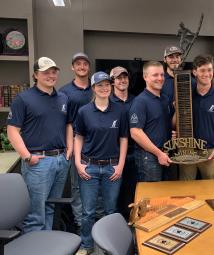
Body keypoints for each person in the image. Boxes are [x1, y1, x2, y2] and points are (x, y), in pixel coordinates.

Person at [7, 57, 72, 233]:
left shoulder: (63, 98)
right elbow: (12, 131)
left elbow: (68, 125)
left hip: (60, 160)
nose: (50, 75)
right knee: (35, 215)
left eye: (53, 72)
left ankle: (46, 246)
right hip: (38, 162)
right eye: (45, 72)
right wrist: (27, 156)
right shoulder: (23, 98)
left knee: (51, 208)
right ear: (36, 75)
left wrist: (69, 150)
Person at [74, 71, 128, 255]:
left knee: (111, 209)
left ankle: (109, 246)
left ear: (111, 86)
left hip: (112, 166)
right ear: (93, 88)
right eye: (100, 85)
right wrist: (78, 163)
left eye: (107, 85)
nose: (104, 88)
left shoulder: (120, 111)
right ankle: (86, 246)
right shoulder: (84, 111)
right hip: (89, 166)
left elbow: (123, 139)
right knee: (88, 211)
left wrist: (120, 165)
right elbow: (78, 137)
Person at [179, 55, 214, 180]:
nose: (207, 74)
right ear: (195, 72)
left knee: (211, 191)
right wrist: (177, 109)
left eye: (209, 70)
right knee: (185, 189)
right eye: (203, 70)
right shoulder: (186, 94)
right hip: (187, 149)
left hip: (211, 151)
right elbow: (176, 122)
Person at [59, 52, 92, 230]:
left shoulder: (96, 88)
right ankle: (82, 225)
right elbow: (64, 122)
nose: (81, 67)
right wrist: (69, 146)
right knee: (78, 186)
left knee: (98, 184)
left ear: (89, 67)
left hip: (98, 145)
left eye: (84, 64)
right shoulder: (64, 92)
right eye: (77, 64)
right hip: (76, 145)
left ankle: (97, 225)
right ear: (72, 67)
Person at [129, 61, 174, 182]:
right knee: (151, 197)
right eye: (155, 75)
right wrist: (159, 153)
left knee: (164, 196)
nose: (160, 78)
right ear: (145, 77)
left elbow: (169, 124)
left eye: (162, 75)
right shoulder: (140, 102)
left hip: (166, 154)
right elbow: (135, 133)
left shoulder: (165, 99)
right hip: (148, 157)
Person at [109, 66, 136, 218]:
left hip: (135, 151)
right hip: (114, 154)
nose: (122, 80)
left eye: (125, 77)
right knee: (114, 192)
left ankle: (131, 222)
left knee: (132, 189)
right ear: (112, 81)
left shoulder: (137, 100)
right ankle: (116, 223)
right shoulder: (107, 100)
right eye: (119, 78)